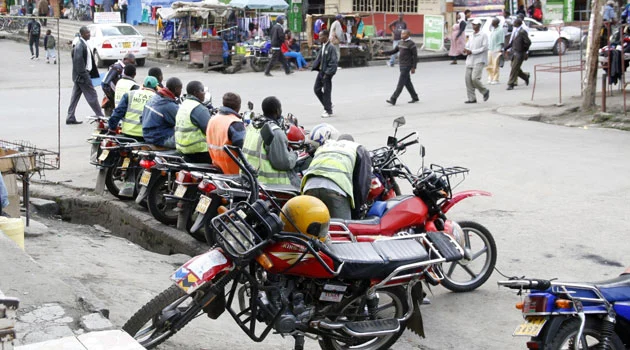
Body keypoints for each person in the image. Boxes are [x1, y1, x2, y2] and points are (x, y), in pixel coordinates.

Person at [301, 126, 371, 220]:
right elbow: (362, 185)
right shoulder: (358, 148)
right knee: (341, 229)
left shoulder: (326, 146)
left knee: (312, 229)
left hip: (309, 187)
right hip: (334, 190)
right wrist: (356, 211)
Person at [242, 96, 300, 187]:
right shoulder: (275, 132)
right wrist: (295, 155)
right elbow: (283, 163)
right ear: (277, 111)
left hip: (249, 177)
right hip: (270, 183)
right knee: (299, 184)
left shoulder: (252, 127)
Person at [66, 26, 103, 125]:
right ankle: (101, 117)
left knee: (74, 97)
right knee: (92, 96)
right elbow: (79, 64)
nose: (89, 34)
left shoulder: (83, 44)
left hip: (80, 76)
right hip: (82, 76)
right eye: (87, 33)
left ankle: (70, 117)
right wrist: (86, 76)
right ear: (82, 34)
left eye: (89, 32)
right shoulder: (79, 46)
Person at [206, 92, 246, 174]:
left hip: (217, 167)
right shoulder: (235, 123)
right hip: (233, 172)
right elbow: (243, 148)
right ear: (238, 106)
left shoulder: (213, 119)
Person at [108, 76, 158, 141]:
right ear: (156, 88)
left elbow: (118, 112)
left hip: (127, 134)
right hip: (146, 136)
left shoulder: (130, 94)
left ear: (143, 85)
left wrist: (112, 128)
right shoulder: (158, 99)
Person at [175, 81, 211, 163]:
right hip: (199, 152)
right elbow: (210, 131)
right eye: (202, 91)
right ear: (196, 93)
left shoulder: (184, 105)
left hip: (182, 149)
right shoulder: (199, 108)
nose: (204, 93)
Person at [142, 77, 183, 148]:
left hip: (147, 135)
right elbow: (182, 122)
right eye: (180, 89)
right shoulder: (169, 105)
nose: (181, 91)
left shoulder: (155, 98)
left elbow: (141, 118)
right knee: (188, 142)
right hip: (160, 139)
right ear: (176, 89)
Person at [381, 29, 419, 105]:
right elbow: (394, 51)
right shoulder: (400, 42)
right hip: (401, 65)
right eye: (401, 34)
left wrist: (413, 67)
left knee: (400, 83)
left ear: (408, 35)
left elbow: (415, 57)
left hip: (407, 66)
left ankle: (393, 99)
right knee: (407, 83)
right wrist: (384, 53)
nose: (402, 35)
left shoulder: (412, 44)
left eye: (404, 34)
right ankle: (415, 97)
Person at [312, 30, 338, 118]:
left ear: (326, 36)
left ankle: (328, 110)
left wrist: (328, 73)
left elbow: (333, 62)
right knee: (316, 89)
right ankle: (328, 104)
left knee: (327, 91)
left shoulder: (331, 47)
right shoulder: (323, 46)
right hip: (321, 71)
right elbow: (320, 58)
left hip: (327, 72)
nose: (319, 38)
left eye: (321, 36)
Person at [463, 19, 489, 104]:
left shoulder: (483, 35)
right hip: (470, 60)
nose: (474, 26)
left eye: (475, 25)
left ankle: (484, 91)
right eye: (473, 25)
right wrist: (466, 50)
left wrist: (473, 51)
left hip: (479, 59)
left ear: (479, 26)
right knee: (468, 79)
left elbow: (484, 48)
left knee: (474, 78)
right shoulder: (471, 35)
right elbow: (467, 45)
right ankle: (471, 98)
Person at [504, 18, 531, 90]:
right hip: (514, 52)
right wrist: (506, 48)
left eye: (515, 22)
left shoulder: (522, 32)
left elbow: (528, 42)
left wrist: (524, 50)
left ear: (518, 23)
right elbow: (512, 42)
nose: (513, 24)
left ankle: (510, 84)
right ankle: (525, 76)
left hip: (519, 53)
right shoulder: (515, 30)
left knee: (514, 68)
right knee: (514, 66)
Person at [486, 18, 504, 85]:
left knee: (495, 64)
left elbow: (502, 41)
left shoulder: (500, 30)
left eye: (493, 22)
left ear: (496, 23)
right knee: (489, 64)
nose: (491, 23)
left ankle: (495, 79)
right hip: (490, 48)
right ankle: (490, 77)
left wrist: (501, 49)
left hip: (497, 49)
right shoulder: (493, 29)